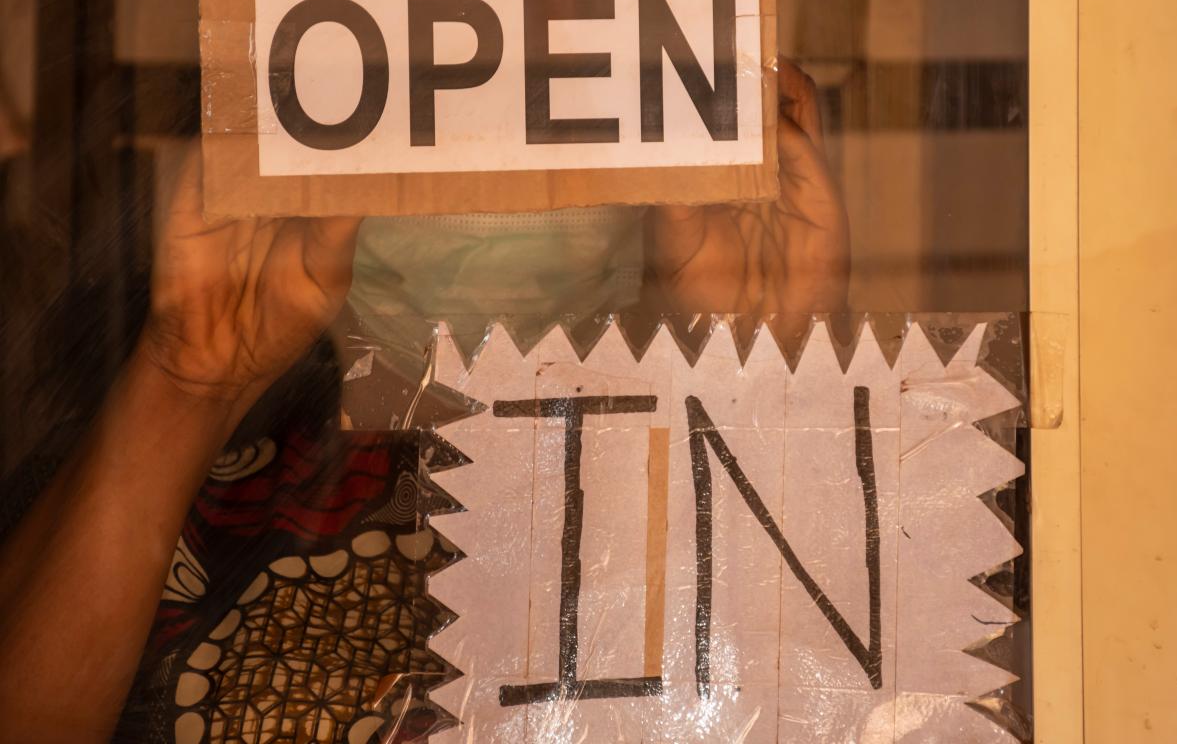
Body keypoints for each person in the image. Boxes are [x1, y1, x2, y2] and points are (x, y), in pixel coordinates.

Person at [0, 47, 846, 740]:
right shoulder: (186, 493)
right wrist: (189, 378)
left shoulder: (671, 491)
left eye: (551, 102)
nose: (482, 176)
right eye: (423, 101)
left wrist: (757, 375)